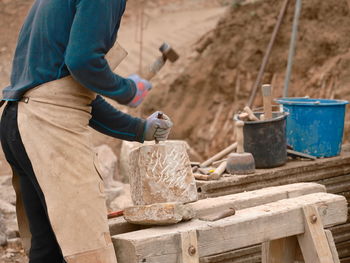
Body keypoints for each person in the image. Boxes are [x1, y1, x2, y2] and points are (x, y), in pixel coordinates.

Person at [0, 0, 173, 262]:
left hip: (18, 121)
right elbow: (83, 62)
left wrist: (139, 129)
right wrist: (126, 90)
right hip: (48, 131)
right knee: (88, 251)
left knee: (49, 249)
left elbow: (71, 94)